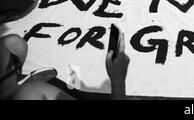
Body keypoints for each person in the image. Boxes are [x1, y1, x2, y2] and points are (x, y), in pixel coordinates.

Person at [0, 32, 129, 100]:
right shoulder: (31, 93)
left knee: (14, 43)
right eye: (12, 65)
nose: (16, 64)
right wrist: (118, 79)